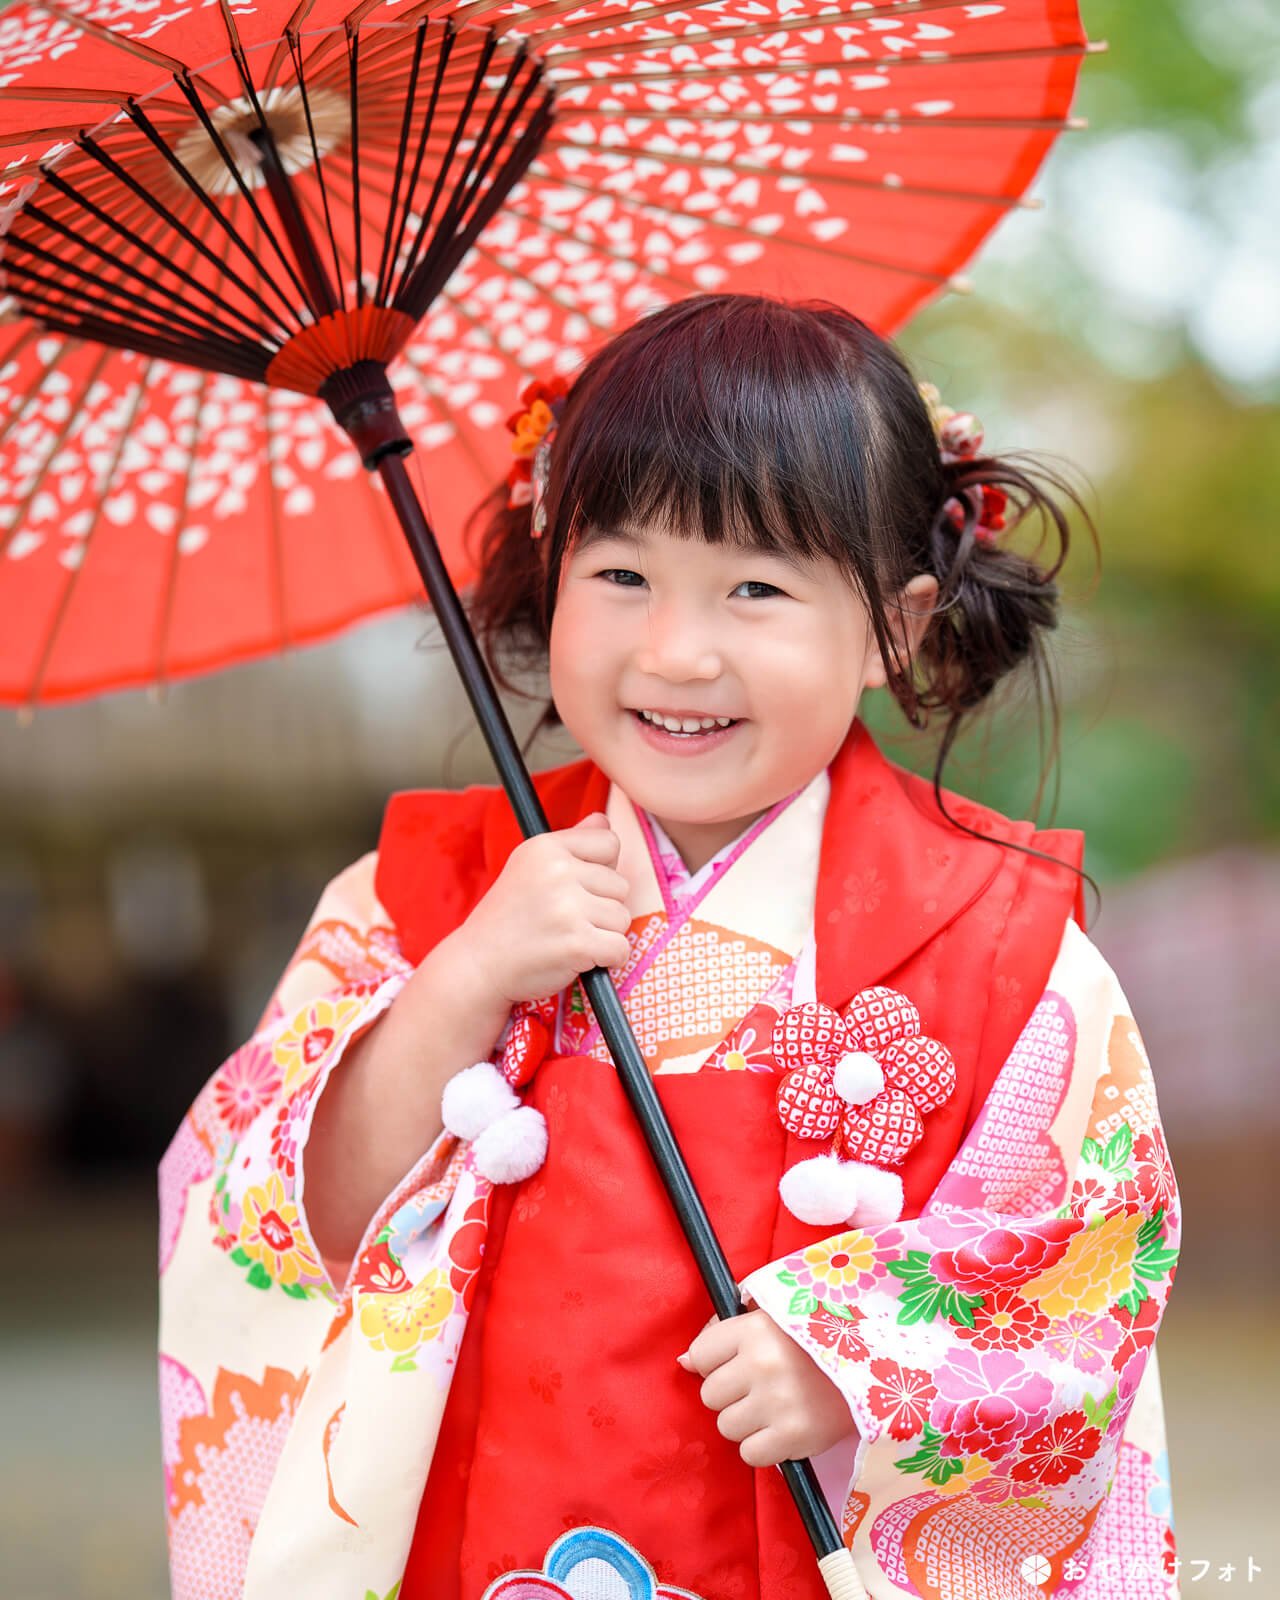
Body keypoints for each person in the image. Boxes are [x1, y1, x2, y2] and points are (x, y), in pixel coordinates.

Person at [158, 295, 1180, 1600]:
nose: (675, 650)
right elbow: (281, 1213)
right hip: (484, 1539)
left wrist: (857, 1360)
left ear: (897, 626)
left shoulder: (999, 943)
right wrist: (467, 977)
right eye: (622, 574)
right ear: (555, 567)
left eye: (755, 588)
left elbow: (1091, 1259)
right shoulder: (419, 895)